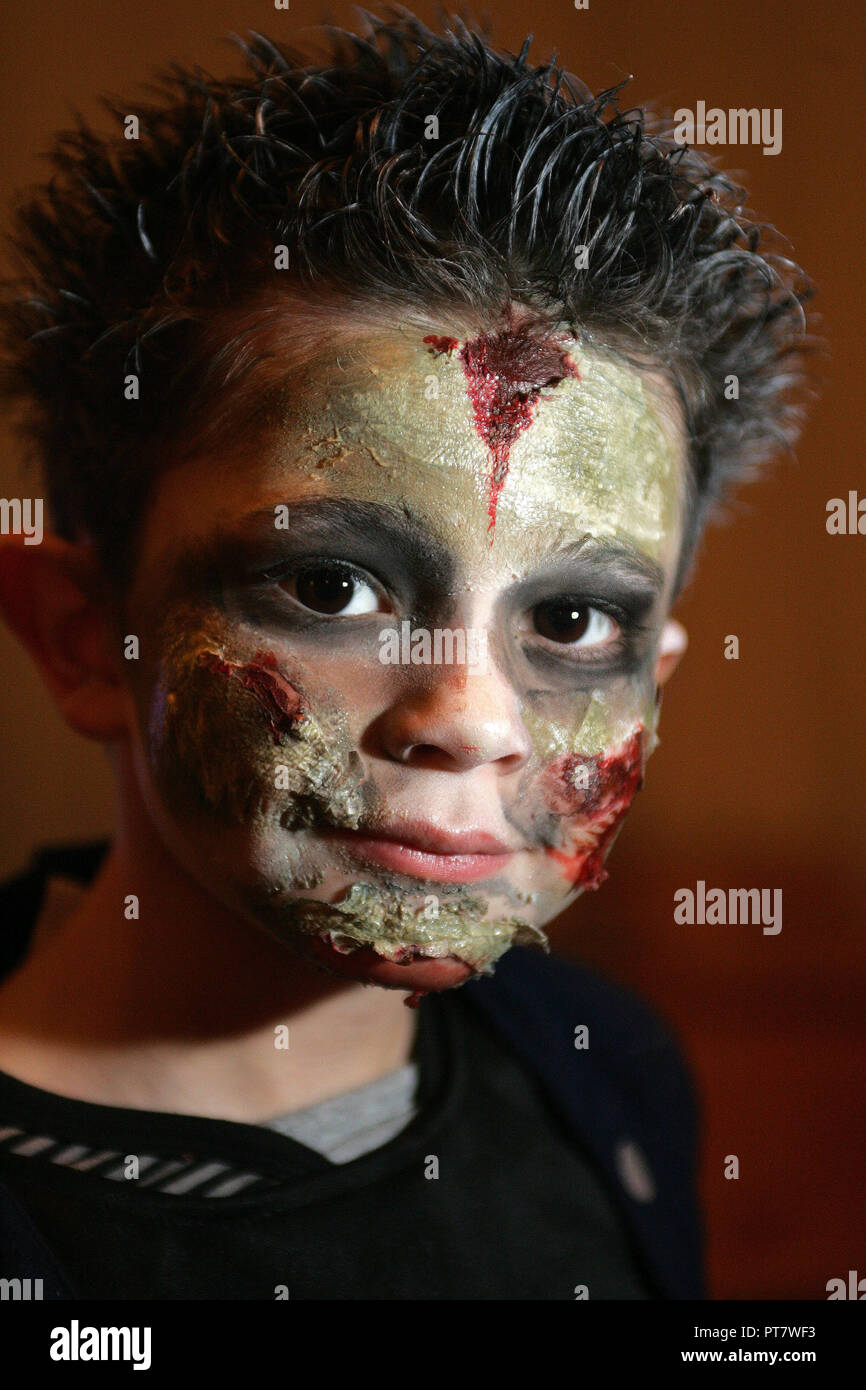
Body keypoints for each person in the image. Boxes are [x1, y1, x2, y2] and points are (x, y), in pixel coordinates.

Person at [0, 14, 807, 1299]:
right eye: (332, 585)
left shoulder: (607, 1074)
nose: (471, 718)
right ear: (82, 634)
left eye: (570, 622)